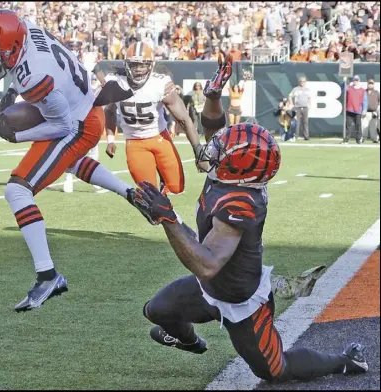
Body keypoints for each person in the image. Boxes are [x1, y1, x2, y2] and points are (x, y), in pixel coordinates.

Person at [130, 87, 368, 386]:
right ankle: (191, 342)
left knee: (275, 371)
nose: (213, 153)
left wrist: (167, 218)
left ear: (236, 167)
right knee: (156, 311)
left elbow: (208, 264)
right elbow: (214, 130)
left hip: (241, 300)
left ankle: (346, 360)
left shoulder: (240, 201)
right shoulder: (233, 174)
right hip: (209, 289)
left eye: (222, 153)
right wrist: (214, 98)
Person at [0, 9, 153, 312]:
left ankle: (47, 275)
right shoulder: (25, 28)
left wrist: (17, 136)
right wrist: (14, 89)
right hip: (84, 105)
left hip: (78, 124)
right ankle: (130, 193)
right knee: (65, 162)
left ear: (12, 47)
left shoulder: (34, 76)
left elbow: (63, 127)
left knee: (17, 190)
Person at [104, 42, 204, 198]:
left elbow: (184, 118)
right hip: (134, 142)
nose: (138, 69)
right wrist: (110, 139)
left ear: (152, 65)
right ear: (126, 64)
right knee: (150, 195)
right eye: (134, 65)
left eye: (143, 65)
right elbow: (109, 111)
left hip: (159, 137)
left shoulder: (159, 83)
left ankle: (164, 180)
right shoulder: (115, 81)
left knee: (177, 187)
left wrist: (198, 151)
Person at [342, 75, 367, 144]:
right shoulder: (349, 88)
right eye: (354, 80)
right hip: (349, 109)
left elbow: (365, 101)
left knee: (358, 126)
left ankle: (358, 140)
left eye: (357, 80)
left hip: (358, 111)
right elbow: (343, 89)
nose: (356, 81)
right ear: (353, 81)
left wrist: (364, 109)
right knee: (348, 126)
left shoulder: (362, 90)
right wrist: (344, 81)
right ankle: (346, 140)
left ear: (359, 81)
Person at [288, 76, 311, 141]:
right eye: (301, 81)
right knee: (297, 122)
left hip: (305, 107)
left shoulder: (307, 90)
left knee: (305, 122)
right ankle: (295, 136)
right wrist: (292, 104)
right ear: (299, 82)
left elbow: (309, 98)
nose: (302, 83)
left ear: (305, 82)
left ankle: (306, 136)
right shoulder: (295, 89)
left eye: (303, 81)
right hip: (297, 108)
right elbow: (290, 96)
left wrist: (309, 104)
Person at [362, 78, 379, 143]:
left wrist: (377, 111)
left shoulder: (376, 92)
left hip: (374, 113)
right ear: (367, 84)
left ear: (373, 84)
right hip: (365, 112)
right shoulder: (364, 92)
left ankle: (374, 139)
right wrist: (363, 110)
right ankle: (363, 138)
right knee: (364, 126)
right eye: (369, 83)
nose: (370, 85)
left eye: (372, 83)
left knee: (373, 127)